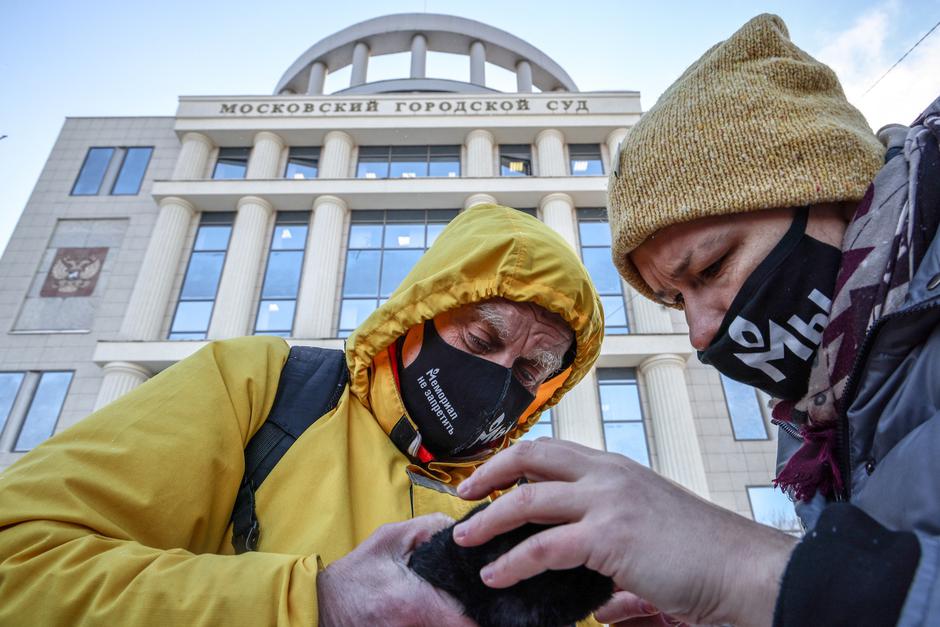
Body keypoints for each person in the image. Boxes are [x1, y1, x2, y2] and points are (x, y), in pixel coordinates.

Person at [452, 14, 940, 627]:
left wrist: (743, 567)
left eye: (711, 269)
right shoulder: (818, 417)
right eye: (675, 301)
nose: (702, 334)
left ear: (836, 190)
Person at [0, 203, 604, 625]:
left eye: (529, 373)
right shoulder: (262, 385)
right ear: (417, 317)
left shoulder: (518, 513)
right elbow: (19, 563)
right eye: (478, 341)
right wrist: (314, 604)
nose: (497, 378)